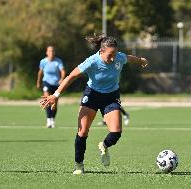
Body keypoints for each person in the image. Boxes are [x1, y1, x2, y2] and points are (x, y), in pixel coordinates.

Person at [40, 34, 148, 174]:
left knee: (116, 132)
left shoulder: (118, 57)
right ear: (101, 51)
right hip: (92, 95)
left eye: (114, 54)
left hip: (111, 97)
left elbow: (129, 58)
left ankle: (103, 145)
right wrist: (56, 95)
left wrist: (140, 60)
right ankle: (79, 165)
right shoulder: (92, 61)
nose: (113, 58)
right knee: (82, 131)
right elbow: (71, 76)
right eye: (109, 55)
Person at [37, 46, 65, 128]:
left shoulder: (58, 61)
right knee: (47, 99)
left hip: (56, 84)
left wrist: (62, 79)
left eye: (52, 51)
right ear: (47, 52)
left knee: (55, 103)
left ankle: (52, 119)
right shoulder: (43, 61)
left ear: (54, 52)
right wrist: (38, 81)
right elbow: (40, 72)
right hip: (46, 82)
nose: (51, 52)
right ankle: (48, 120)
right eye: (49, 51)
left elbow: (62, 71)